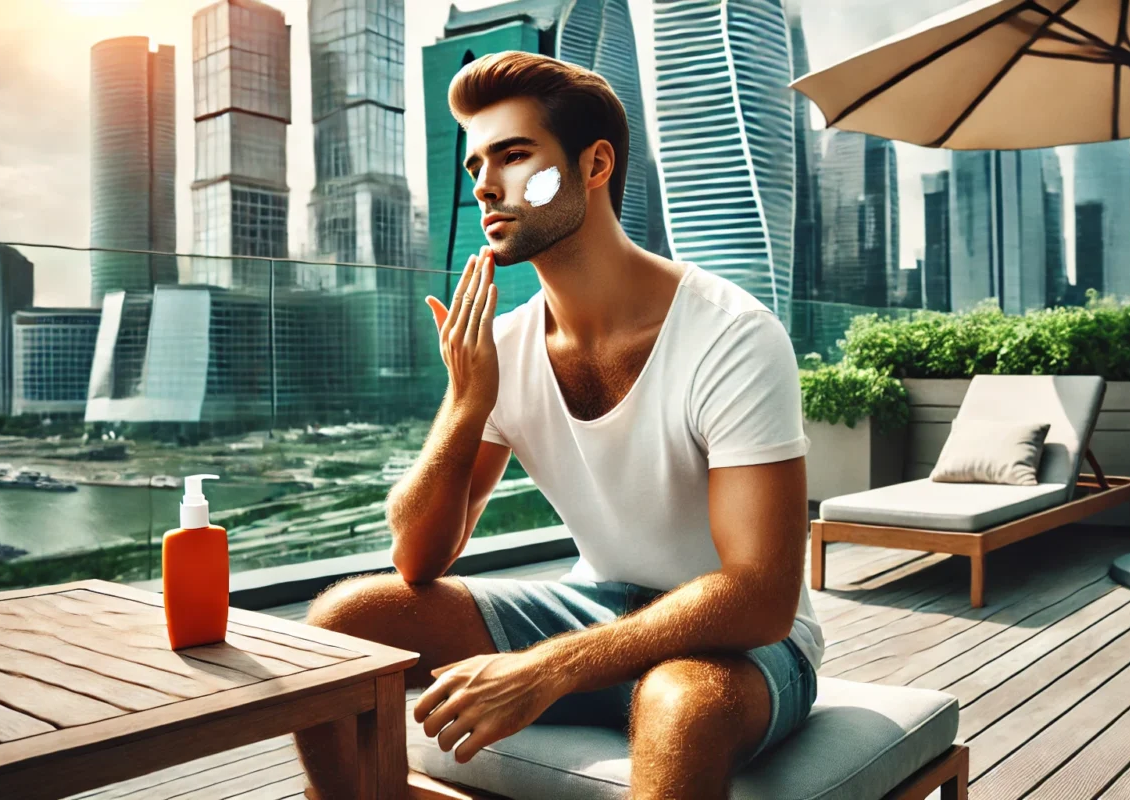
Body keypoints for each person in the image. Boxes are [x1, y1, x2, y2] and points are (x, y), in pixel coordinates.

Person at [295, 50, 822, 800]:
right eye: (478, 162)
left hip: (751, 646)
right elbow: (418, 558)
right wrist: (466, 401)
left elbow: (762, 596)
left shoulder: (731, 336)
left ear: (594, 164)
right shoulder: (505, 347)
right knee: (340, 622)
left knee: (681, 705)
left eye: (513, 156)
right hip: (596, 602)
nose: (484, 184)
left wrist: (545, 670)